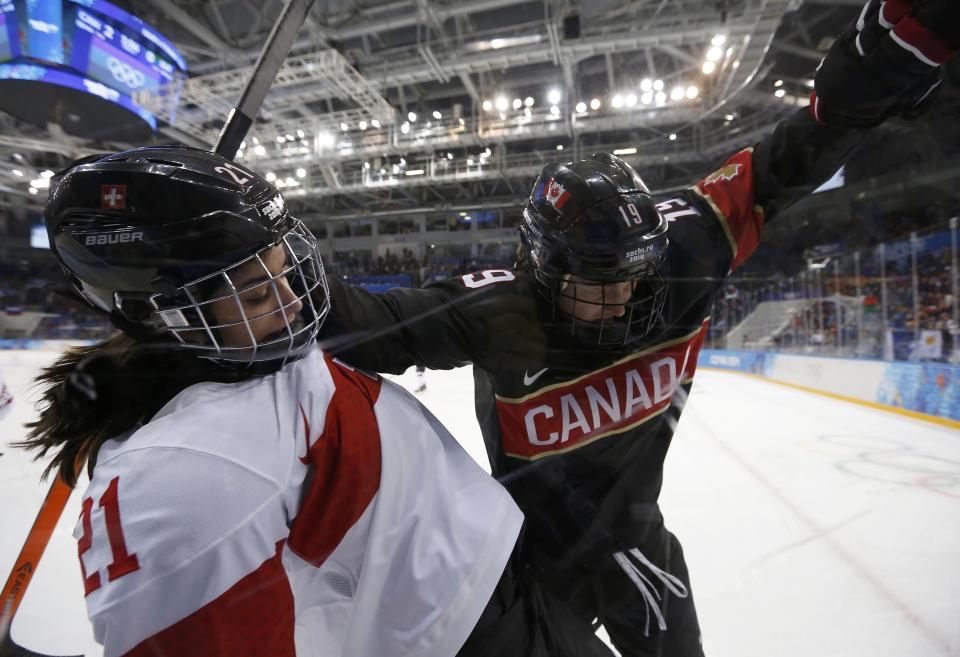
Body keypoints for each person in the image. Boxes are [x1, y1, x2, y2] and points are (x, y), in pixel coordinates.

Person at [318, 3, 960, 655]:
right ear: (546, 270)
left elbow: (788, 161)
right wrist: (252, 263)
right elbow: (367, 325)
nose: (623, 298)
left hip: (640, 547)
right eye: (600, 281)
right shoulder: (500, 312)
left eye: (633, 272)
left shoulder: (689, 246)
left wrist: (867, 87)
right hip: (533, 567)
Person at [17, 147, 614, 657]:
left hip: (492, 597)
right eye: (257, 291)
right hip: (461, 635)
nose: (293, 301)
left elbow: (378, 322)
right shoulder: (179, 481)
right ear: (155, 311)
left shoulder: (232, 345)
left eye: (285, 269)